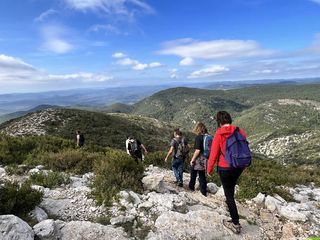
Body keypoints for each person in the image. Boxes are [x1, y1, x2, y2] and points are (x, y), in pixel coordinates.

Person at [207, 111, 248, 234]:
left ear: (219, 122)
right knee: (230, 191)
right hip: (238, 166)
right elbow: (244, 148)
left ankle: (235, 223)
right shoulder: (240, 131)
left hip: (225, 167)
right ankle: (232, 213)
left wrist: (209, 169)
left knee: (229, 195)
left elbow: (213, 154)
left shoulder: (219, 133)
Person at [189, 122, 208, 196]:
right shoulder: (207, 137)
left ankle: (191, 187)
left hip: (198, 158)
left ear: (198, 129)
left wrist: (192, 159)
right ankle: (204, 191)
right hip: (205, 158)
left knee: (193, 172)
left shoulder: (198, 137)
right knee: (202, 175)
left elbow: (198, 150)